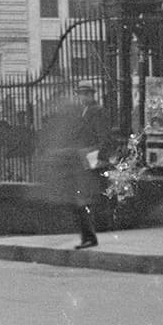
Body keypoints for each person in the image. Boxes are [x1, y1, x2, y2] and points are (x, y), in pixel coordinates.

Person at [38, 94, 99, 249]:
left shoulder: (77, 126)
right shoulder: (75, 124)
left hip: (80, 172)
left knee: (80, 205)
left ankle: (89, 237)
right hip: (78, 172)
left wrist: (61, 153)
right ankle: (87, 237)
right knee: (78, 205)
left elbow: (81, 148)